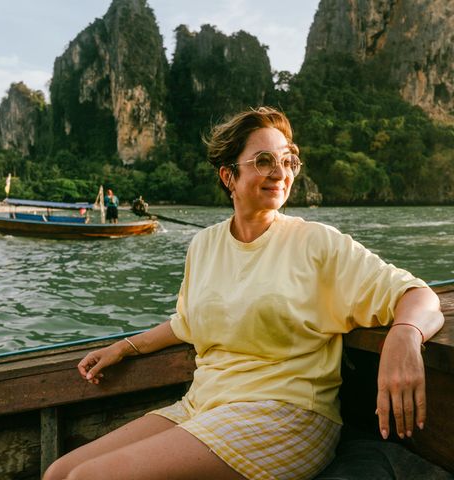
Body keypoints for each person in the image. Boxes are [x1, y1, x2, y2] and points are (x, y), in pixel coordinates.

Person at [43, 107, 444, 480]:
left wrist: (405, 335)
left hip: (288, 413)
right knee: (59, 472)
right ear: (228, 176)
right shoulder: (204, 245)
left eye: (288, 160)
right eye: (264, 161)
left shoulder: (315, 242)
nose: (280, 172)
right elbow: (187, 323)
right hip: (204, 404)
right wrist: (125, 347)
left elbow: (416, 294)